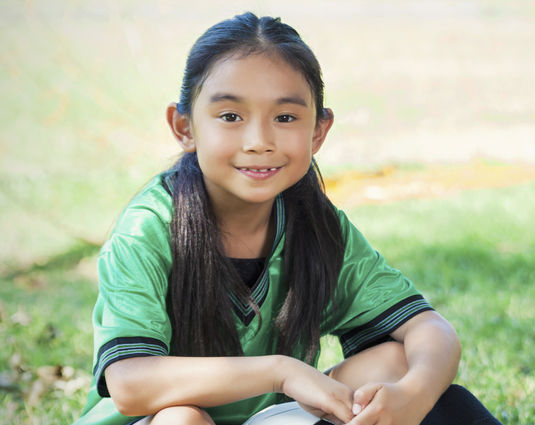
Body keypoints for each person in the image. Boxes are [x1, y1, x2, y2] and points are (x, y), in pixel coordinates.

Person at [74, 12, 501, 425]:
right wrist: (281, 371)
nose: (259, 141)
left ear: (318, 131)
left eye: (285, 117)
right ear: (184, 127)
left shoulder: (316, 226)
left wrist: (415, 396)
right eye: (230, 117)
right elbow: (128, 383)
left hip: (270, 419)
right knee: (180, 418)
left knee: (396, 360)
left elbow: (430, 330)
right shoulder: (149, 228)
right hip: (154, 420)